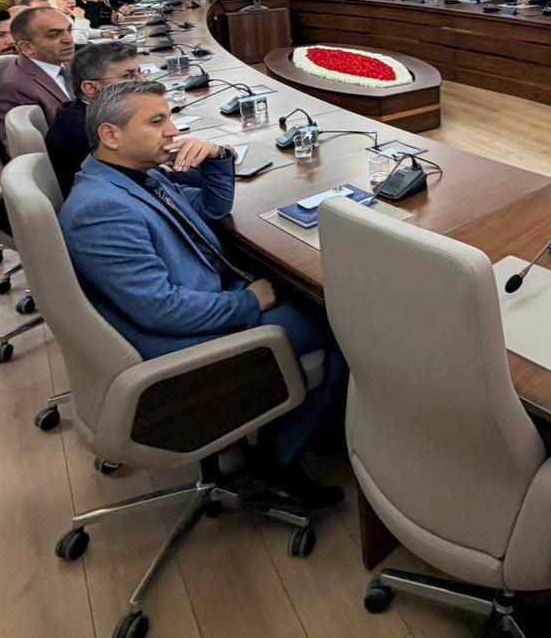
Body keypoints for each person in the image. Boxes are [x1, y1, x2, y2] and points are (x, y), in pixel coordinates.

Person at [58, 81, 345, 513]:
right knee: (342, 327)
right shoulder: (101, 209)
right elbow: (161, 310)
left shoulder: (134, 177)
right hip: (182, 341)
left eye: (170, 118)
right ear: (111, 135)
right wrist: (249, 302)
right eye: (157, 121)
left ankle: (313, 421)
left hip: (203, 299)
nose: (173, 131)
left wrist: (218, 156)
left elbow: (210, 209)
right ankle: (276, 465)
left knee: (312, 299)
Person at [44, 41, 143, 196]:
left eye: (139, 73)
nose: (141, 81)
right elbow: (141, 175)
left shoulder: (86, 112)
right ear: (91, 88)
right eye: (128, 76)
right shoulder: (87, 131)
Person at [0, 7, 76, 154]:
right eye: (53, 35)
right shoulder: (12, 89)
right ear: (26, 47)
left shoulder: (69, 64)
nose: (69, 39)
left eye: (69, 30)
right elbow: (27, 153)